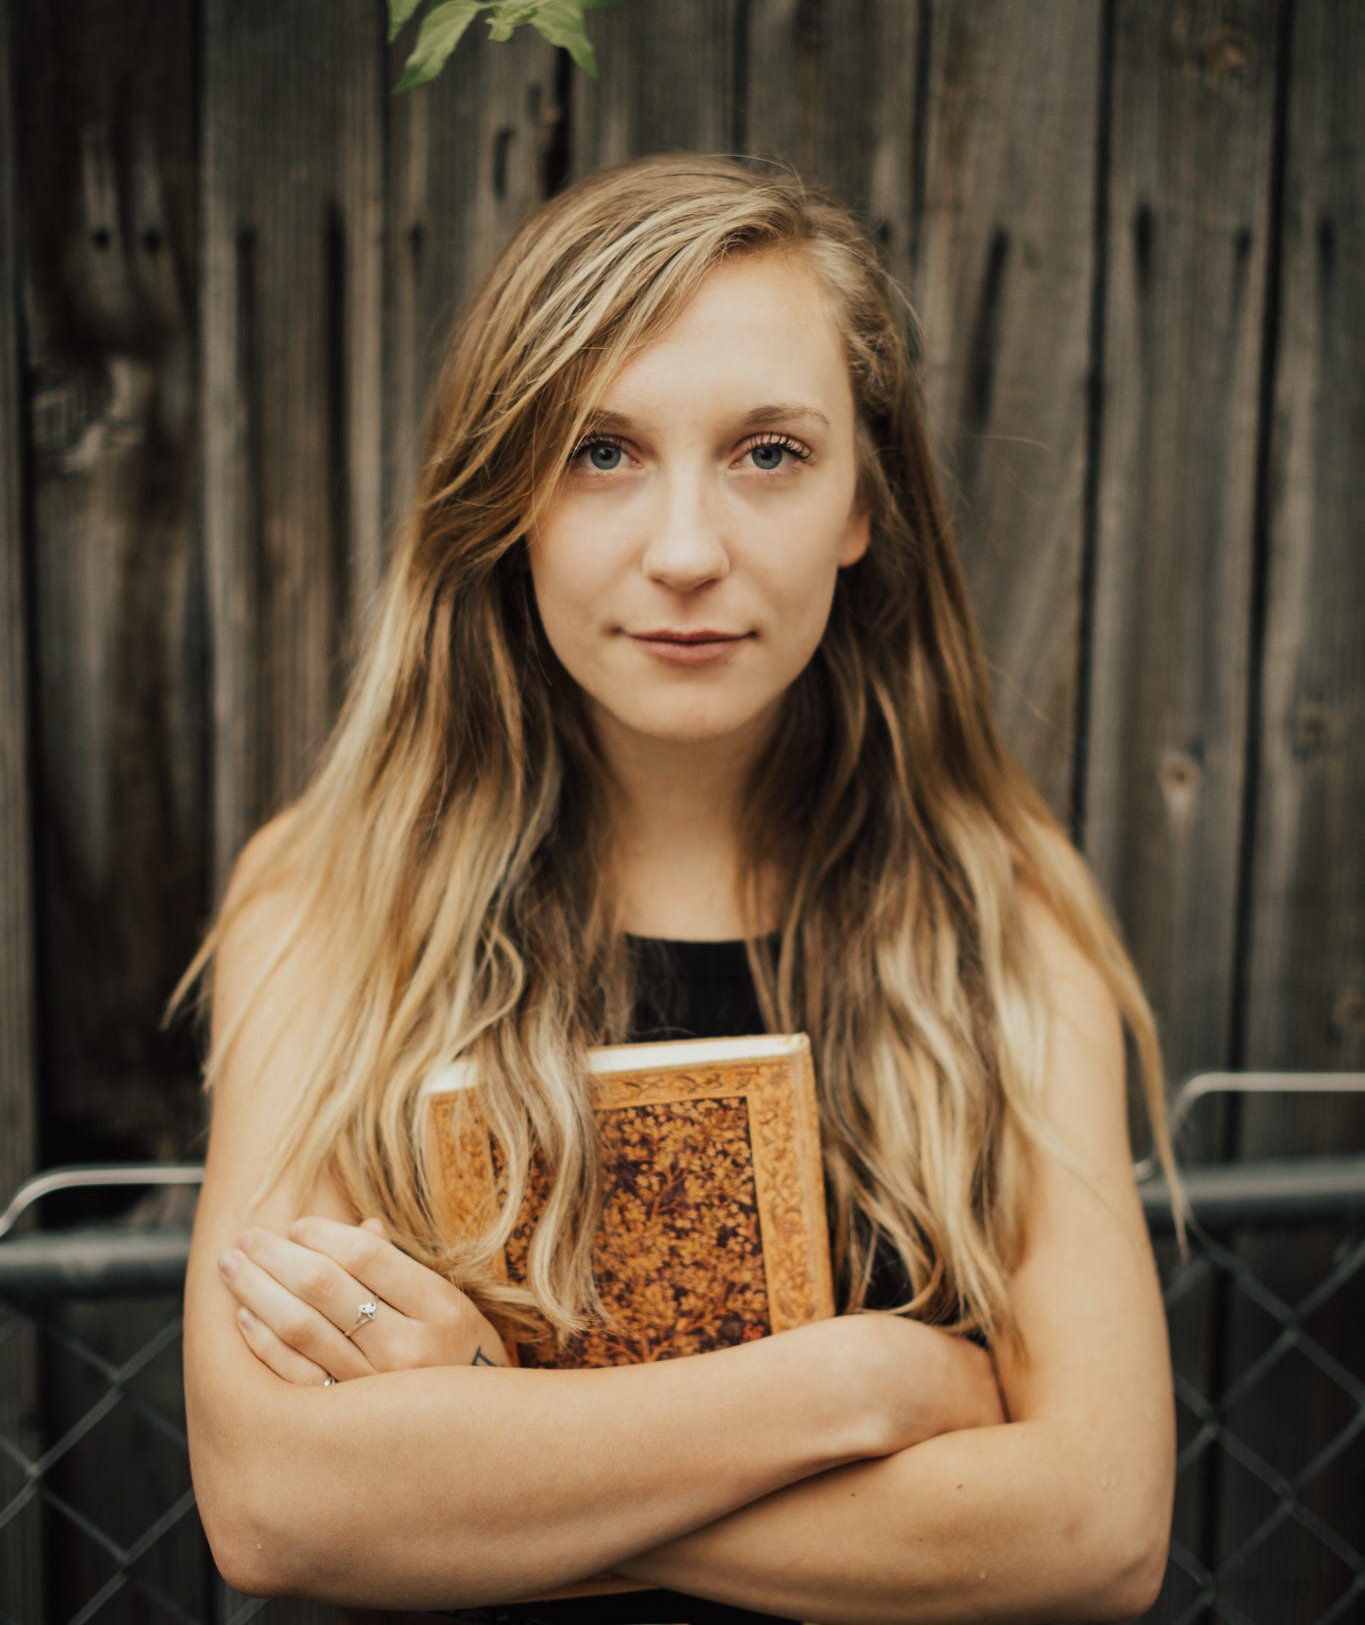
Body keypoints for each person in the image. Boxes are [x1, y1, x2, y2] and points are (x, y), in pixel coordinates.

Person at [168, 151, 1184, 1625]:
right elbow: (278, 1506)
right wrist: (860, 1386)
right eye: (601, 451)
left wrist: (477, 1438)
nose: (689, 552)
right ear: (508, 497)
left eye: (769, 453)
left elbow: (1097, 1530)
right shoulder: (336, 899)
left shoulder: (998, 912)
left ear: (861, 500)